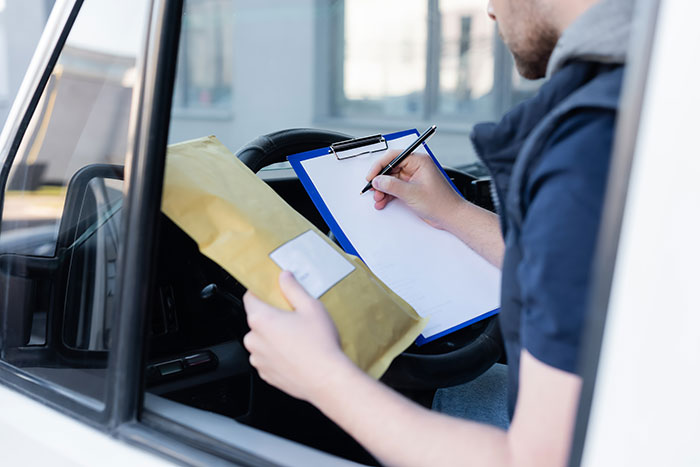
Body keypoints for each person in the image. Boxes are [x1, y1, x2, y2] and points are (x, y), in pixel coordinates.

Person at [242, 0, 635, 465]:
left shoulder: (588, 145)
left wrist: (322, 377)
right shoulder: (646, 96)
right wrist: (453, 212)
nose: (489, 11)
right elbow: (589, 278)